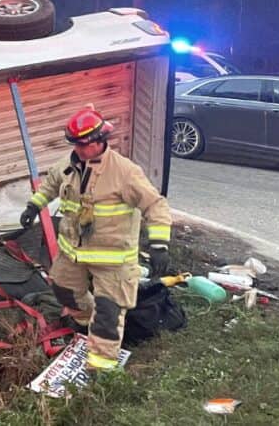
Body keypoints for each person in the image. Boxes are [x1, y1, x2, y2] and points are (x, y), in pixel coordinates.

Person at [20, 107, 172, 373]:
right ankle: (85, 325)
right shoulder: (68, 164)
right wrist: (34, 206)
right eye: (75, 144)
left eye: (83, 144)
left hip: (112, 259)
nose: (78, 149)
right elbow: (51, 185)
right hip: (73, 253)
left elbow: (155, 205)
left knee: (108, 313)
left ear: (100, 140)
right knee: (64, 291)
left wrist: (159, 244)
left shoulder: (125, 172)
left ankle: (102, 371)